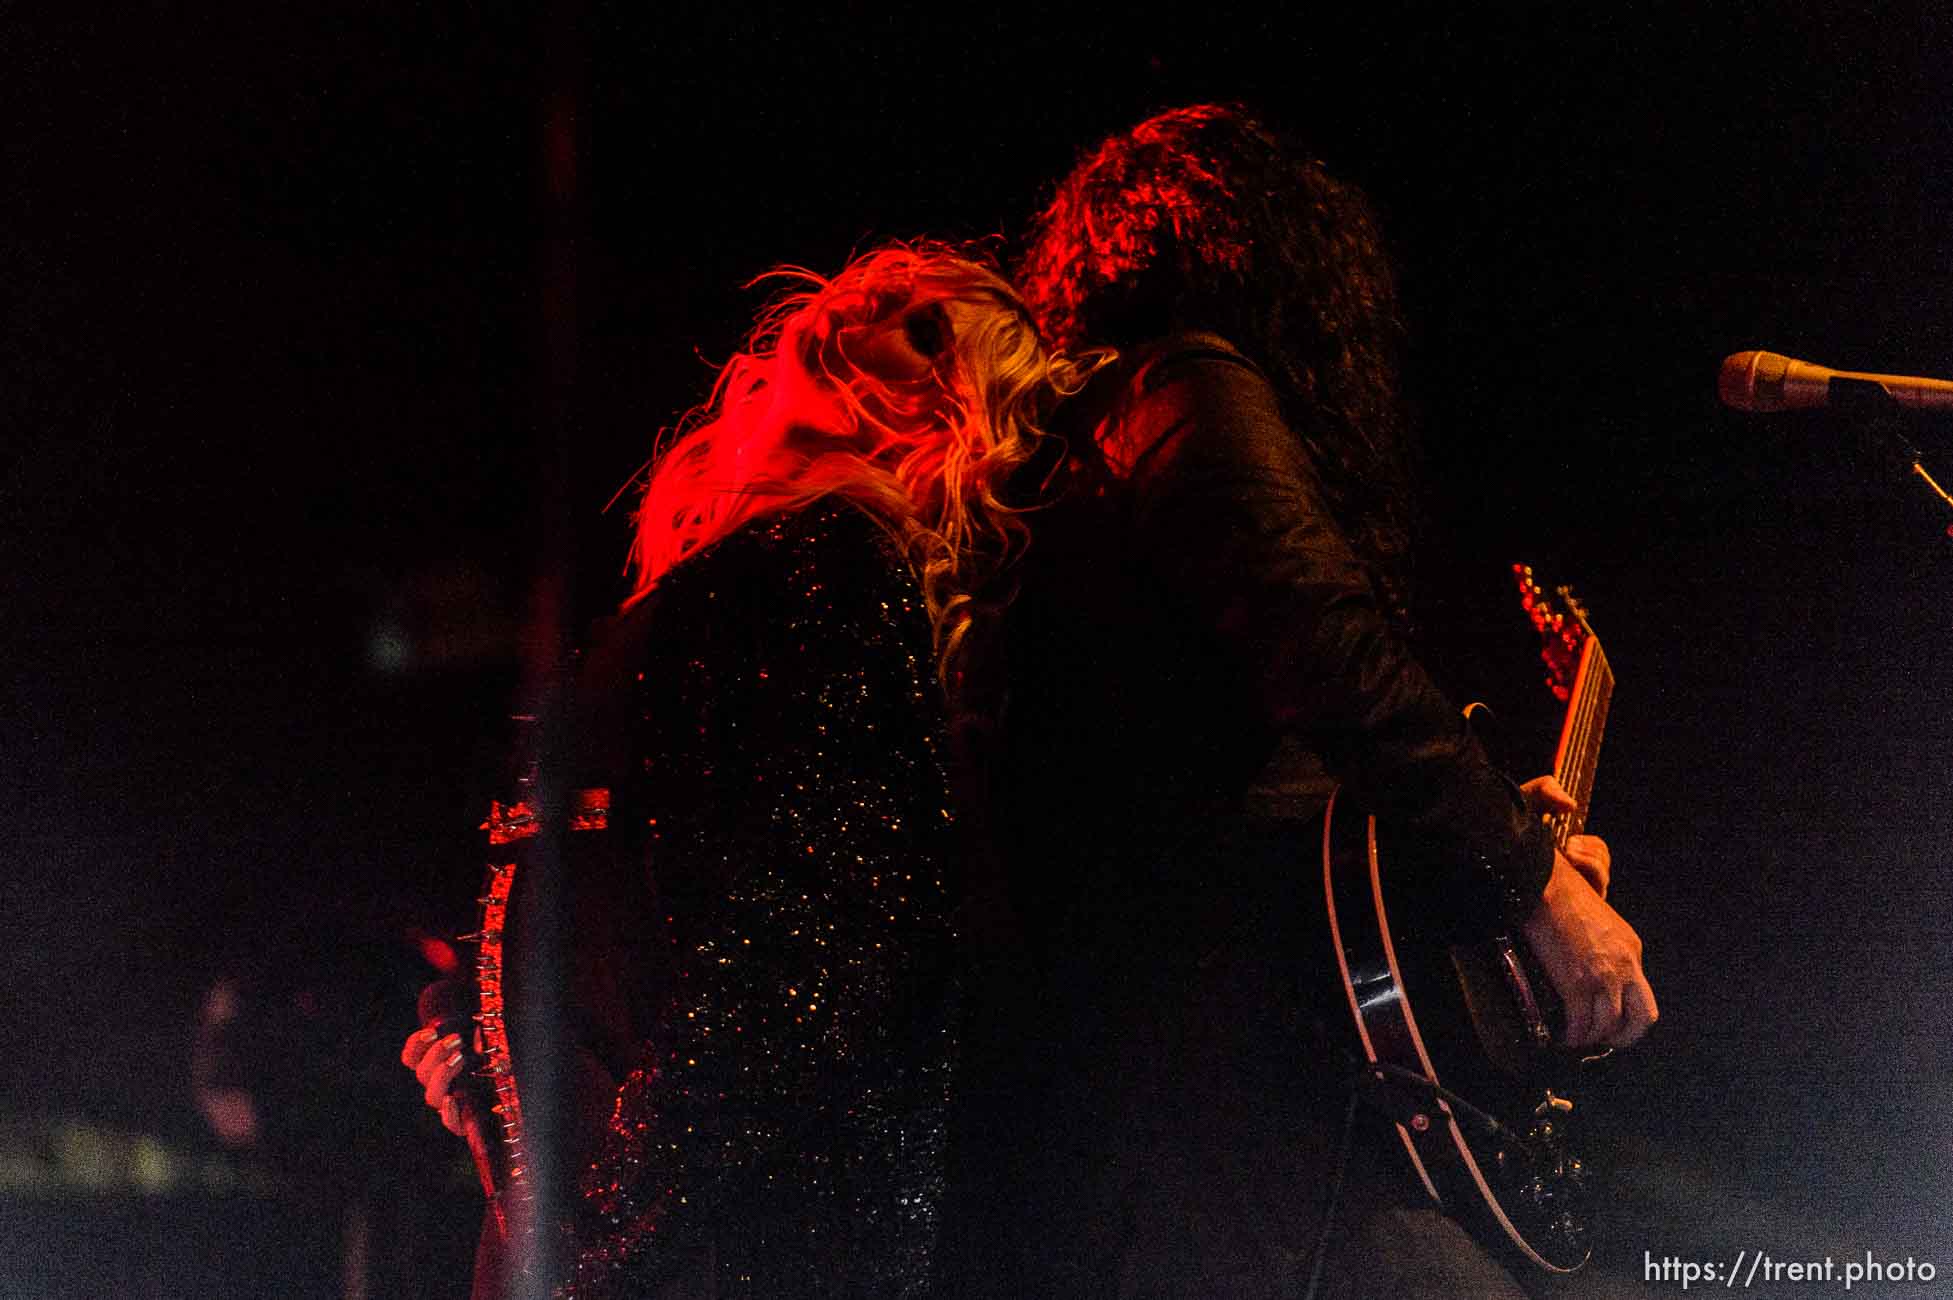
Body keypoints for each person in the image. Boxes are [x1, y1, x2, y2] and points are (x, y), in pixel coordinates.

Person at [964, 104, 1658, 1299]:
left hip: (1192, 1115)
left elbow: (1246, 776)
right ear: (1272, 256)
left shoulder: (1094, 447)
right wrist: (1531, 881)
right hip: (1230, 1113)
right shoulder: (1180, 384)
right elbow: (1328, 647)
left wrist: (1457, 838)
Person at [401, 244, 1106, 1298]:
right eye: (878, 285)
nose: (866, 299)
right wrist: (489, 1048)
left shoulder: (831, 563)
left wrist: (598, 1230)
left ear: (948, 422)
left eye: (923, 326)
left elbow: (805, 969)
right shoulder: (733, 583)